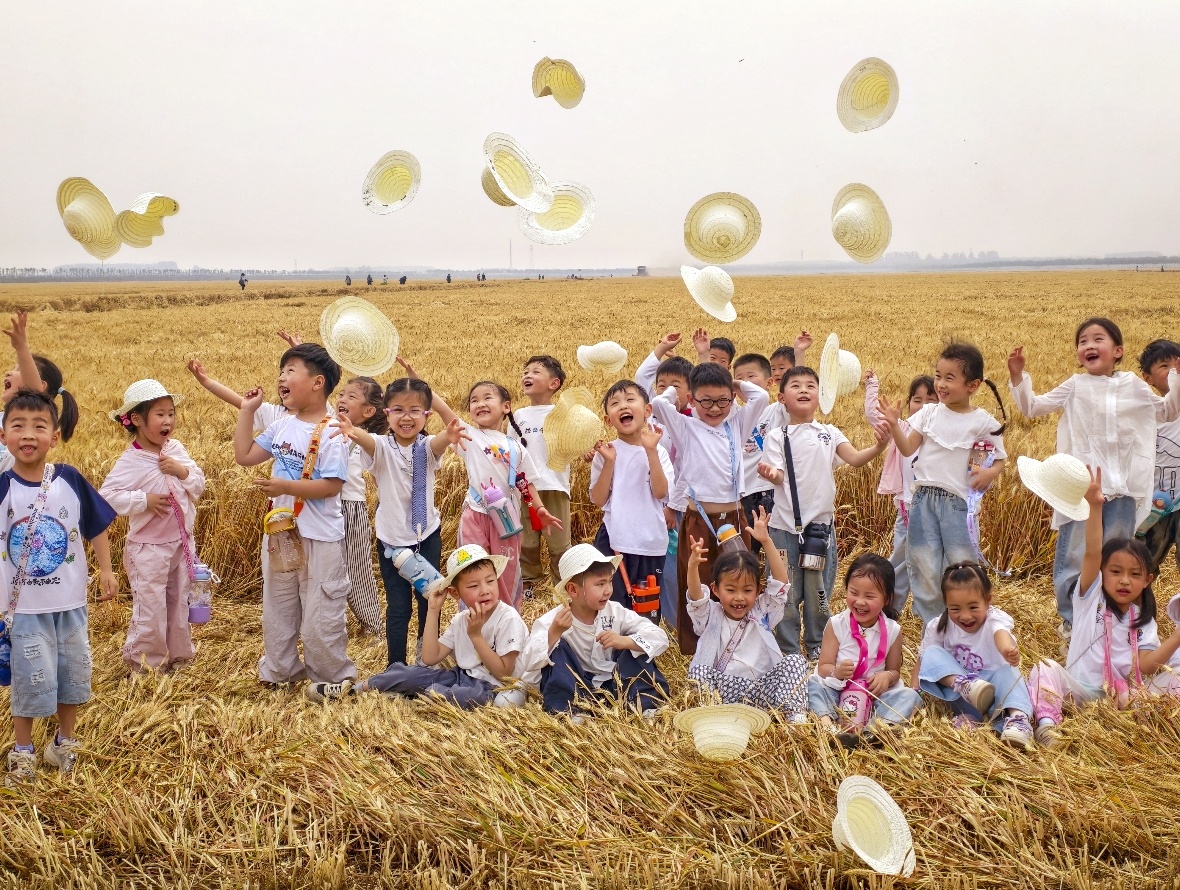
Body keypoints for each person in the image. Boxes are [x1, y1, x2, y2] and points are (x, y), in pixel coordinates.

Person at [1009, 319, 1180, 645]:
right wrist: (1018, 376)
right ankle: (1072, 624)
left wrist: (1177, 378)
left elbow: (1168, 411)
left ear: (1117, 351)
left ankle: (1110, 622)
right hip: (1081, 492)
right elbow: (1032, 407)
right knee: (1074, 556)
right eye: (1082, 340)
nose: (1088, 344)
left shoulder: (1135, 386)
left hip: (1123, 491)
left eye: (1097, 339)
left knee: (1116, 558)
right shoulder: (1075, 385)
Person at [2, 389, 118, 787]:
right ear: (3, 437)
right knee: (29, 677)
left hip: (70, 601)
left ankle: (64, 742)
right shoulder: (4, 488)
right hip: (24, 608)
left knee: (73, 674)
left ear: (54, 435)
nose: (28, 434)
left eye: (39, 425)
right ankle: (23, 750)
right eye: (17, 425)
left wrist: (106, 569)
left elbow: (95, 524)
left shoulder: (68, 479)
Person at [1027, 467, 1180, 746]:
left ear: (1148, 580)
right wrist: (1095, 506)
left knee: (1175, 678)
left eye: (1134, 575)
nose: (1124, 581)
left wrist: (1177, 636)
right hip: (1080, 692)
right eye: (1115, 572)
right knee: (1044, 668)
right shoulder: (1090, 598)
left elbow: (1143, 666)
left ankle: (1150, 725)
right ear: (1102, 572)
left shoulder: (1143, 621)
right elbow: (1092, 551)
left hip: (1122, 698)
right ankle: (1048, 724)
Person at [233, 343, 355, 688]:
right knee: (279, 606)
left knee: (321, 613)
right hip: (281, 533)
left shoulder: (333, 430)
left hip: (319, 535)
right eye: (281, 371)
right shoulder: (282, 426)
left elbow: (331, 486)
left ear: (318, 383)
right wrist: (246, 411)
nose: (281, 378)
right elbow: (244, 455)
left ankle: (331, 677)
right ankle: (279, 671)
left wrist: (285, 486)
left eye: (290, 371)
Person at [331, 375, 466, 666]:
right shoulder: (381, 447)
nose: (407, 417)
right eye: (399, 410)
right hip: (391, 542)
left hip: (426, 535)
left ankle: (424, 658)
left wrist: (450, 434)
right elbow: (367, 440)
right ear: (386, 413)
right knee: (398, 606)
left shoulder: (427, 447)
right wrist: (351, 429)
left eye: (415, 410)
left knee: (430, 600)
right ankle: (396, 665)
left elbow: (440, 442)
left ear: (426, 415)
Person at [757, 366, 889, 659]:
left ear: (820, 396)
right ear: (781, 397)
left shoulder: (829, 433)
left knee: (819, 592)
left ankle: (818, 645)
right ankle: (788, 650)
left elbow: (854, 459)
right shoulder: (778, 436)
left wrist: (880, 445)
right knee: (785, 592)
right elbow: (778, 476)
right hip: (783, 528)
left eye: (810, 386)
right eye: (795, 386)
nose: (803, 390)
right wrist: (770, 474)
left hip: (820, 528)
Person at [879, 342, 1007, 627]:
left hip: (957, 504)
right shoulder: (929, 414)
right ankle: (933, 626)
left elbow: (999, 459)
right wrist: (895, 425)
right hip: (922, 499)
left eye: (950, 378)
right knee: (923, 561)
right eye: (938, 375)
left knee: (961, 563)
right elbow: (908, 448)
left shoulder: (983, 422)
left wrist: (989, 474)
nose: (940, 384)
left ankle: (967, 620)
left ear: (973, 385)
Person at [307, 545, 527, 708]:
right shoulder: (461, 620)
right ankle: (352, 690)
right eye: (473, 585)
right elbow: (430, 658)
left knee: (439, 694)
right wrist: (433, 610)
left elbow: (504, 673)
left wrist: (476, 636)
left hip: (492, 687)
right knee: (405, 673)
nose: (485, 590)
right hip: (460, 677)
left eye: (490, 581)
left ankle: (407, 697)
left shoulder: (507, 618)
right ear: (455, 593)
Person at [651, 362, 768, 654]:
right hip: (698, 520)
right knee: (698, 582)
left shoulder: (737, 424)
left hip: (734, 518)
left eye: (722, 401)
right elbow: (657, 403)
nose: (715, 408)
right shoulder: (686, 426)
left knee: (738, 578)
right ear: (690, 399)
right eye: (706, 401)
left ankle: (737, 642)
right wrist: (673, 393)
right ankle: (697, 647)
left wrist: (736, 385)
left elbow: (762, 398)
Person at [99, 379, 206, 673]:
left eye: (171, 413)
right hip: (147, 550)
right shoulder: (131, 460)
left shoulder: (176, 449)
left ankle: (179, 657)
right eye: (160, 414)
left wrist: (181, 471)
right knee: (151, 608)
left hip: (181, 544)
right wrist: (143, 500)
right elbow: (107, 498)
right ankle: (146, 665)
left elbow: (199, 483)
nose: (168, 421)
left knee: (178, 602)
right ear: (136, 419)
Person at [518, 545, 669, 717]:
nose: (608, 590)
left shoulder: (615, 612)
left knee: (636, 644)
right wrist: (554, 633)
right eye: (600, 584)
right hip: (577, 688)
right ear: (573, 590)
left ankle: (644, 704)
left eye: (610, 581)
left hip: (615, 684)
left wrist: (625, 641)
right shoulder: (554, 620)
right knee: (557, 649)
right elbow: (527, 663)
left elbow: (659, 636)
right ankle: (569, 711)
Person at [684, 510, 809, 718]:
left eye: (747, 590)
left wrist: (766, 541)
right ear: (715, 589)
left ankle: (794, 719)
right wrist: (693, 567)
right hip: (722, 692)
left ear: (759, 590)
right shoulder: (711, 614)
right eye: (731, 590)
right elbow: (696, 599)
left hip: (761, 691)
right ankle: (708, 716)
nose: (739, 598)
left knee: (795, 662)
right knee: (698, 671)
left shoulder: (762, 611)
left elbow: (781, 585)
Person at [455, 381, 561, 608]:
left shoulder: (516, 447)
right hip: (475, 514)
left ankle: (509, 621)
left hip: (507, 520)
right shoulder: (469, 437)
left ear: (506, 407)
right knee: (471, 568)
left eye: (487, 398)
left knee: (507, 571)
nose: (480, 403)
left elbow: (526, 483)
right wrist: (419, 384)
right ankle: (472, 622)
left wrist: (540, 509)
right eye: (474, 400)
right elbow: (444, 411)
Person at [915, 562, 1035, 749]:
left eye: (973, 607)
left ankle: (1018, 719)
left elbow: (1000, 634)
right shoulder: (939, 626)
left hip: (995, 693)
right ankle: (966, 694)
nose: (965, 616)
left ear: (988, 600)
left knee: (1009, 672)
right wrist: (915, 690)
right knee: (932, 652)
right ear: (946, 604)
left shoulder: (994, 619)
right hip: (962, 695)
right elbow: (925, 659)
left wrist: (1007, 650)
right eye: (955, 609)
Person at [807, 554, 921, 746]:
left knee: (911, 697)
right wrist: (837, 671)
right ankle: (829, 728)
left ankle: (874, 732)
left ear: (887, 599)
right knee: (813, 686)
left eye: (869, 596)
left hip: (874, 693)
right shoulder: (836, 624)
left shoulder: (893, 630)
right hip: (839, 688)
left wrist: (887, 677)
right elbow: (823, 666)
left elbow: (894, 671)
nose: (860, 602)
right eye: (854, 592)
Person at [590, 381, 673, 618]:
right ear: (609, 420)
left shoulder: (658, 451)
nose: (623, 406)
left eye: (630, 400)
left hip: (651, 542)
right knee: (610, 607)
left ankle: (640, 654)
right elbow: (598, 499)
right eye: (615, 404)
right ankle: (611, 653)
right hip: (614, 540)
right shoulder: (606, 452)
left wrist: (651, 452)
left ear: (647, 411)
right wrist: (609, 462)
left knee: (646, 608)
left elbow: (660, 492)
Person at [864, 371, 939, 614]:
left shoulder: (941, 435)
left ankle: (927, 613)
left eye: (931, 401)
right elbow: (874, 414)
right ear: (907, 405)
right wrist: (872, 385)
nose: (924, 406)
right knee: (901, 563)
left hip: (937, 514)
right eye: (917, 400)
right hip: (908, 512)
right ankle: (890, 612)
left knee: (930, 566)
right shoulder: (902, 429)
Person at [331, 376, 389, 638]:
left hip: (351, 507)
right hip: (320, 504)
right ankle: (333, 622)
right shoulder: (327, 427)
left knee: (357, 567)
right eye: (340, 394)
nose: (342, 399)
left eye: (351, 396)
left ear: (368, 411)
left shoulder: (370, 439)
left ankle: (372, 625)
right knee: (325, 568)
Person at [511, 356, 572, 595]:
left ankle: (564, 585)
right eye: (525, 372)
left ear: (553, 383)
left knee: (559, 543)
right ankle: (529, 584)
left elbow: (575, 443)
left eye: (536, 372)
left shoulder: (563, 413)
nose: (527, 375)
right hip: (525, 487)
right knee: (526, 541)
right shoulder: (517, 416)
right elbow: (512, 450)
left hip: (555, 484)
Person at [0, 311, 79, 474]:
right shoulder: (2, 417)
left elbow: (35, 393)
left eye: (18, 369)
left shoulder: (34, 415)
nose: (8, 372)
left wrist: (21, 347)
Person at [732, 352, 783, 552]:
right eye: (740, 378)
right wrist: (703, 354)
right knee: (747, 550)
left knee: (778, 551)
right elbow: (711, 391)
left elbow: (795, 391)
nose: (745, 382)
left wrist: (799, 353)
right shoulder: (734, 414)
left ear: (769, 382)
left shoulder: (776, 411)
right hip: (746, 494)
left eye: (751, 376)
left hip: (774, 491)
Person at [1138, 339, 1180, 575]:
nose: (1174, 372)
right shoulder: (1144, 414)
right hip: (1153, 507)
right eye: (1165, 366)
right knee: (1143, 565)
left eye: (1178, 365)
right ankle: (1139, 612)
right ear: (1147, 378)